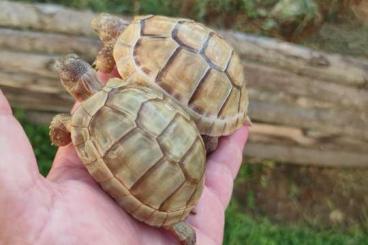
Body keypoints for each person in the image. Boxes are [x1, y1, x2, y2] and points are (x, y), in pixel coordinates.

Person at [0, 69, 248, 245]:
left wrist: (61, 132)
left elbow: (63, 134)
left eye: (65, 76)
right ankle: (176, 221)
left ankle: (174, 219)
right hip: (190, 167)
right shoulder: (127, 88)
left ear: (72, 86)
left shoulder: (80, 123)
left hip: (166, 183)